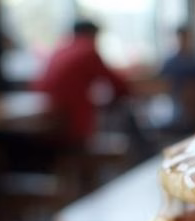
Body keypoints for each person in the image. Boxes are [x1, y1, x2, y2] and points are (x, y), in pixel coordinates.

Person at [33, 19, 131, 147]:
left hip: (47, 114)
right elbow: (114, 81)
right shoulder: (87, 50)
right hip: (71, 118)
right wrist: (128, 89)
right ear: (92, 34)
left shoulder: (61, 49)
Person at [158, 24, 195, 136]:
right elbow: (161, 84)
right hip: (175, 106)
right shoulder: (170, 63)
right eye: (181, 38)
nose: (184, 41)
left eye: (187, 38)